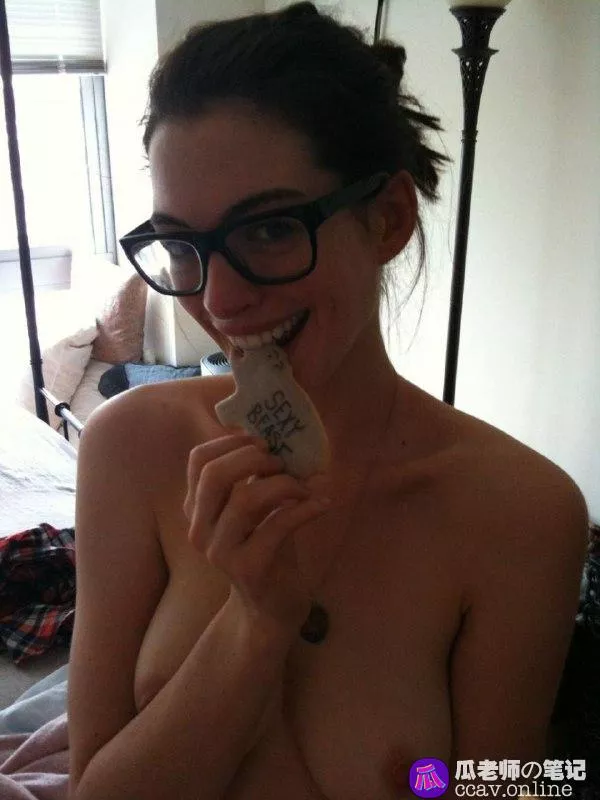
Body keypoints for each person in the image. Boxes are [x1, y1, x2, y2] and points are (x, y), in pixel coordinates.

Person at [67, 3, 589, 799]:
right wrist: (255, 622)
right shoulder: (129, 448)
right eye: (182, 245)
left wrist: (427, 783)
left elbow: (498, 786)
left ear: (388, 220)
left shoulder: (524, 512)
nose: (221, 301)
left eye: (269, 230)